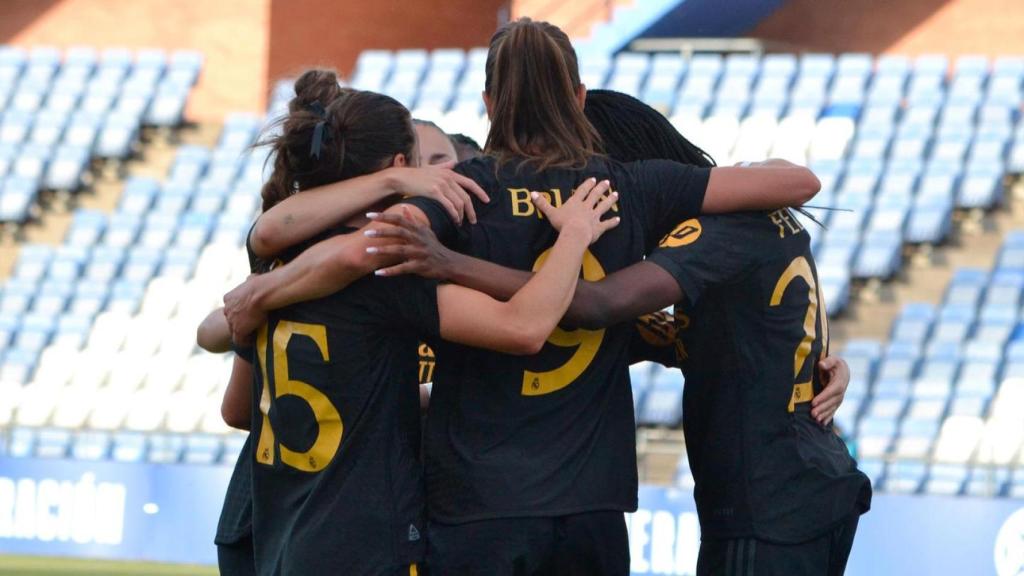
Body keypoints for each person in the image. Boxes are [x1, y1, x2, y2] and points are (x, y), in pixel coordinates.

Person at [222, 18, 821, 575]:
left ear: (488, 104)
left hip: (477, 502)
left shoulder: (463, 191)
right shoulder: (636, 185)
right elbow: (799, 182)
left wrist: (263, 290)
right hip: (593, 504)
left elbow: (313, 237)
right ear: (580, 98)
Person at [374, 90, 869, 575]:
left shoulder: (711, 232)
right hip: (799, 487)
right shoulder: (747, 220)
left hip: (769, 506)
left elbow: (595, 304)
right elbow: (689, 338)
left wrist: (454, 263)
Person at [223, 69, 622, 575]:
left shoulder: (272, 255)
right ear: (400, 165)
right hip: (368, 543)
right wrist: (573, 237)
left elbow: (238, 408)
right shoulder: (391, 272)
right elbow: (522, 328)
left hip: (283, 540)